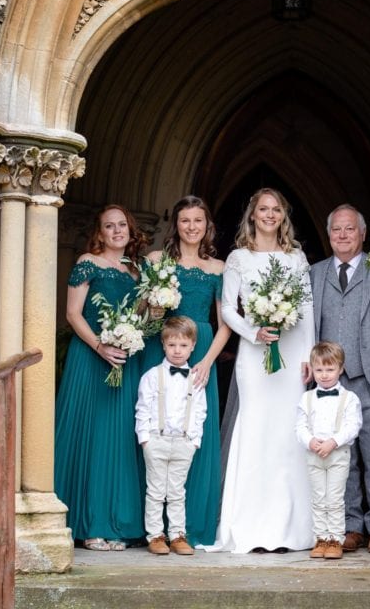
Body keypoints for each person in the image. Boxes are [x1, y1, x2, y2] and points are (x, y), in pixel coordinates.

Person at [210, 187, 315, 553]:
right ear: (252, 215)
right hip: (254, 355)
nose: (270, 215)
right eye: (263, 209)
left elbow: (307, 308)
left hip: (292, 353)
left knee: (288, 433)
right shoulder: (238, 257)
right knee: (255, 429)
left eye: (276, 209)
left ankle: (289, 528)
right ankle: (249, 526)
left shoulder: (296, 257)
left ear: (283, 216)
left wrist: (308, 355)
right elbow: (227, 309)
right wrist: (252, 332)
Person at [54, 204, 149, 551]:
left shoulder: (137, 271)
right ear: (99, 232)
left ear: (130, 229)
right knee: (92, 437)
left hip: (124, 359)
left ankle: (116, 523)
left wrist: (134, 333)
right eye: (109, 226)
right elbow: (72, 313)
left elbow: (139, 316)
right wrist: (99, 345)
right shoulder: (87, 263)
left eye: (122, 225)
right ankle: (90, 524)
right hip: (91, 358)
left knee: (120, 439)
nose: (117, 231)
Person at [309, 204, 370, 553]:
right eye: (337, 229)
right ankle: (350, 526)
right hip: (330, 380)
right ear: (328, 235)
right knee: (340, 457)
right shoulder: (315, 273)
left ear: (363, 233)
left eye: (350, 229)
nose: (343, 235)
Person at [142, 196, 231, 546]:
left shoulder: (218, 267)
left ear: (207, 225)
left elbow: (225, 323)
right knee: (156, 423)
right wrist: (153, 309)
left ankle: (187, 527)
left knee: (195, 431)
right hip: (162, 345)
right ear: (175, 225)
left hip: (202, 348)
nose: (192, 227)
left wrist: (207, 360)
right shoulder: (157, 261)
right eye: (185, 221)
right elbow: (142, 314)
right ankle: (152, 529)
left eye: (198, 221)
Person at [136, 316, 208, 556]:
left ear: (193, 346)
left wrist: (194, 440)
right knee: (156, 491)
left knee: (177, 492)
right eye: (172, 345)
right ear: (163, 345)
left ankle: (177, 535)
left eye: (183, 345)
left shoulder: (196, 378)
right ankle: (156, 535)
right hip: (156, 440)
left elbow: (200, 411)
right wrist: (145, 439)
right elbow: (143, 408)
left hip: (184, 443)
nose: (177, 350)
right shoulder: (152, 375)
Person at [295, 342, 363, 560]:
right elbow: (300, 426)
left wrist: (333, 442)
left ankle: (335, 539)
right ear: (312, 370)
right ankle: (321, 539)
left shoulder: (349, 398)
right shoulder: (306, 398)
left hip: (337, 455)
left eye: (330, 369)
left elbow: (353, 426)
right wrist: (310, 441)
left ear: (340, 369)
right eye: (319, 370)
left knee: (334, 499)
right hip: (314, 455)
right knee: (318, 498)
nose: (324, 375)